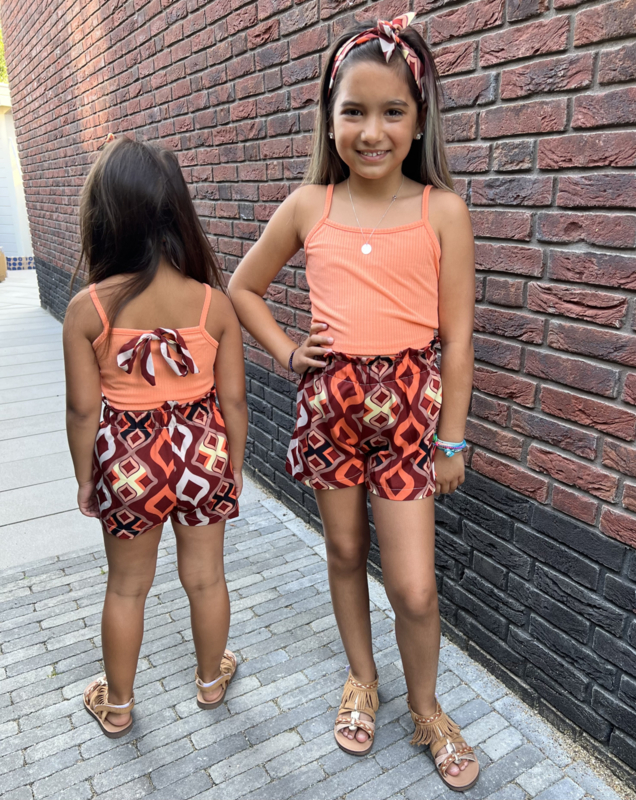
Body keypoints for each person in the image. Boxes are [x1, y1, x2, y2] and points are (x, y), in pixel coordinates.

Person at [229, 13, 478, 791]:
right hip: (330, 418)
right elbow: (242, 287)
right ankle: (362, 680)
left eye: (392, 111)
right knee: (342, 554)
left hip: (410, 430)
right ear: (329, 118)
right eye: (355, 112)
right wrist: (285, 351)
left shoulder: (442, 211)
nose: (373, 132)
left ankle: (427, 708)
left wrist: (453, 439)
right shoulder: (310, 205)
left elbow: (458, 341)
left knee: (414, 587)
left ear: (419, 119)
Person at [63, 137, 248, 738]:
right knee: (206, 577)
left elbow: (82, 410)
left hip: (129, 458)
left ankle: (117, 705)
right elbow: (234, 400)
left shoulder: (88, 310)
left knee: (126, 588)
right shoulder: (214, 305)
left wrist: (87, 479)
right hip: (203, 451)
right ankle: (210, 682)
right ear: (178, 214)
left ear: (105, 218)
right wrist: (234, 465)